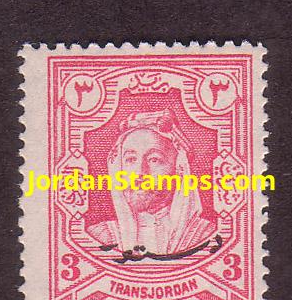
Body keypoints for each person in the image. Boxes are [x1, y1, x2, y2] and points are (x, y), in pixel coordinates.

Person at [88, 109, 215, 254]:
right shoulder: (100, 236)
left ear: (179, 170)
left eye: (154, 160)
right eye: (131, 159)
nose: (140, 173)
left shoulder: (205, 236)